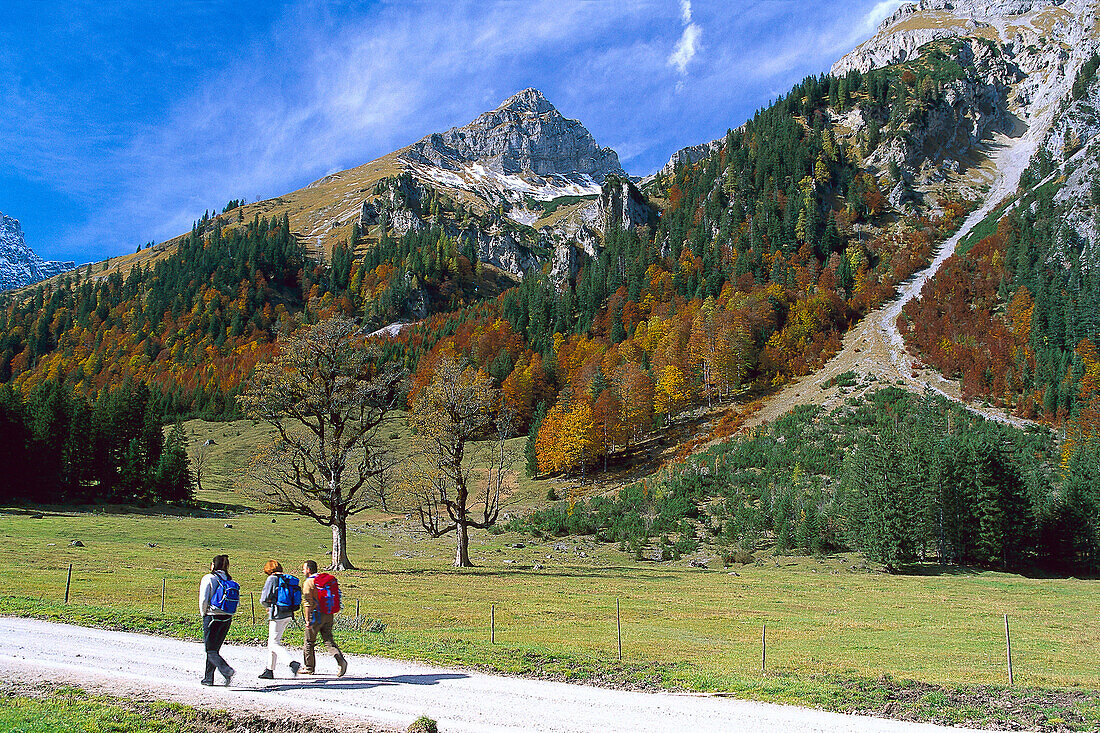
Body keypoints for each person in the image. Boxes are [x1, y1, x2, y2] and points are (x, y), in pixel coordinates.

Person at [300, 560, 347, 676]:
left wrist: (307, 619)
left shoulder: (309, 582)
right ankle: (341, 661)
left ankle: (309, 667)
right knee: (328, 640)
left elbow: (308, 603)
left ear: (309, 570)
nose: (303, 571)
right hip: (328, 614)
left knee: (309, 641)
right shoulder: (323, 580)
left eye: (304, 569)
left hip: (315, 615)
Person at [258, 560, 302, 679]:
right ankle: (269, 670)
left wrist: (268, 606)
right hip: (288, 613)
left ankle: (291, 663)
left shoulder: (272, 579)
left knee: (273, 643)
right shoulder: (287, 579)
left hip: (277, 614)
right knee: (273, 641)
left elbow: (264, 599)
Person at [198, 554, 236, 686]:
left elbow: (204, 599)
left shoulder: (209, 578)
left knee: (210, 649)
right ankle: (208, 678)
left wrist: (204, 613)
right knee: (215, 649)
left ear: (214, 565)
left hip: (212, 615)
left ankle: (226, 670)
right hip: (227, 616)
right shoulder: (229, 579)